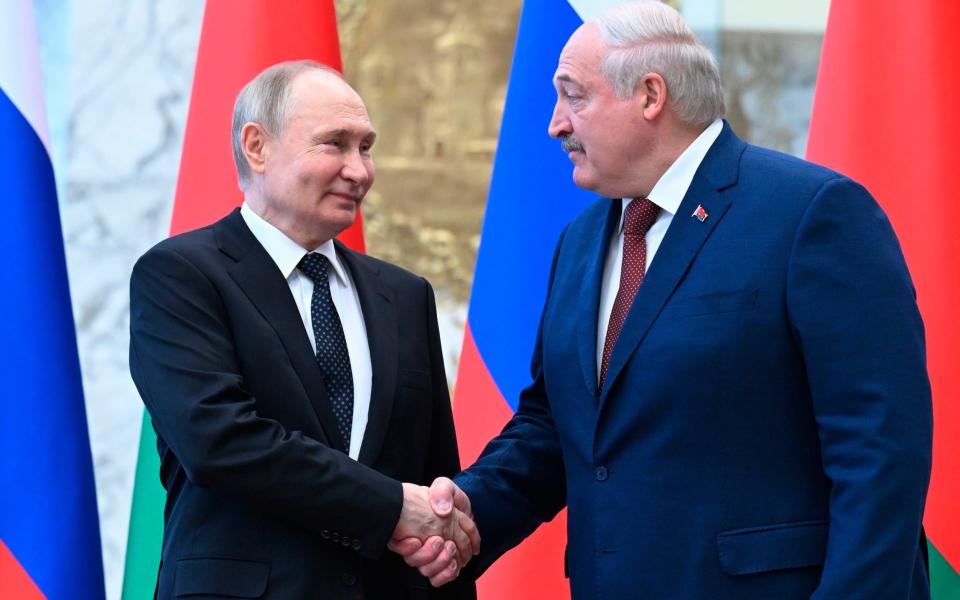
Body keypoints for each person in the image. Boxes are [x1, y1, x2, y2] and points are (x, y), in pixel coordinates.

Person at [396, 2, 933, 598]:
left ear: (651, 95)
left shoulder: (811, 214)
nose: (555, 124)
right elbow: (557, 425)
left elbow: (879, 453)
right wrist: (466, 512)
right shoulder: (580, 242)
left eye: (573, 96)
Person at [129, 60, 478, 599]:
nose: (359, 170)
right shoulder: (182, 275)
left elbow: (434, 481)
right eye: (334, 144)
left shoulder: (405, 296)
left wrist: (440, 542)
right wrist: (389, 508)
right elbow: (219, 441)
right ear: (257, 147)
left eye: (366, 147)